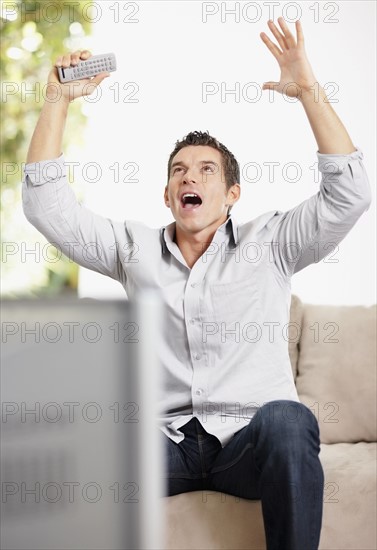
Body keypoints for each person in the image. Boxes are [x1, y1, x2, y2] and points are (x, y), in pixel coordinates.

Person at [23, 17, 371, 550]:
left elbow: (348, 195)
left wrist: (306, 90)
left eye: (207, 170)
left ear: (232, 194)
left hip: (249, 443)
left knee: (288, 419)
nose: (191, 177)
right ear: (167, 195)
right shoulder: (132, 249)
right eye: (180, 170)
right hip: (165, 444)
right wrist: (57, 99)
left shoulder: (273, 243)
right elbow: (47, 207)